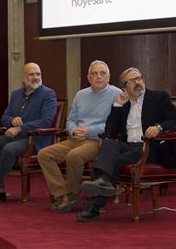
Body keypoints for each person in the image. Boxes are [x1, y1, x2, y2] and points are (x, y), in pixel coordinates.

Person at [76, 67, 176, 222]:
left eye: (138, 78)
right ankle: (103, 184)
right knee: (110, 144)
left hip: (150, 147)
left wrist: (159, 127)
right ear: (124, 88)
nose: (137, 82)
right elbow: (110, 132)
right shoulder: (123, 105)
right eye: (131, 81)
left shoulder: (159, 97)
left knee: (110, 161)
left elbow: (175, 123)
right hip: (128, 147)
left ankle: (95, 204)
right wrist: (117, 106)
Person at [37, 60, 121, 213]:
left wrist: (90, 131)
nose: (98, 77)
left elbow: (115, 124)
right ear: (88, 78)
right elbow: (71, 120)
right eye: (94, 74)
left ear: (109, 77)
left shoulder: (116, 94)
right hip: (74, 138)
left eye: (102, 73)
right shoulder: (80, 95)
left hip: (97, 140)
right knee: (44, 154)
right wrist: (74, 130)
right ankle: (62, 194)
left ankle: (72, 193)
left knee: (74, 156)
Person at [0, 62, 56, 203]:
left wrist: (21, 128)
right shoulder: (16, 94)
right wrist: (12, 120)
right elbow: (4, 118)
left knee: (9, 149)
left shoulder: (48, 94)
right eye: (31, 74)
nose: (35, 77)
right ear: (24, 77)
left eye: (38, 74)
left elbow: (46, 121)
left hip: (34, 140)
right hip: (15, 137)